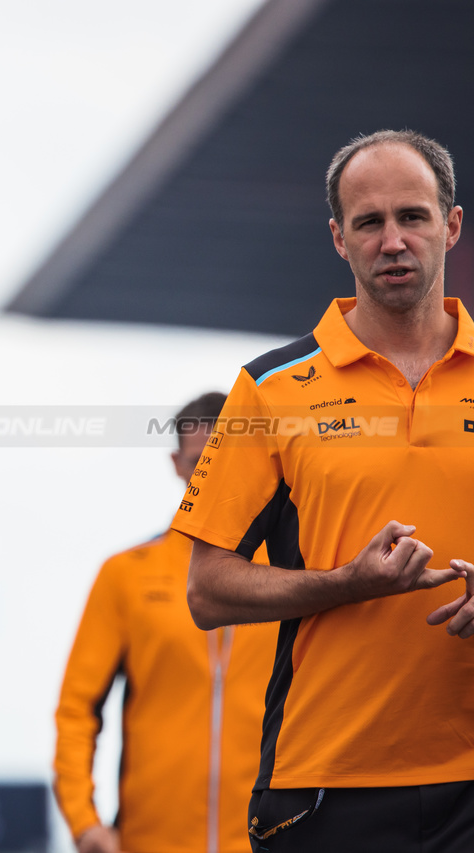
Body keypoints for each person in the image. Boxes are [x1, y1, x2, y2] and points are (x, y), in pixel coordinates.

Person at [173, 130, 474, 852]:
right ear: (340, 239)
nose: (393, 240)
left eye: (414, 216)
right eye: (369, 223)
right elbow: (207, 592)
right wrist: (348, 582)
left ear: (452, 225)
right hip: (326, 787)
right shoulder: (270, 388)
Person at [54, 393, 276, 853]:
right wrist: (84, 822)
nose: (215, 477)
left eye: (227, 460)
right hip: (150, 840)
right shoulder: (126, 574)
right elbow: (77, 709)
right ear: (177, 464)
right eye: (201, 463)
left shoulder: (296, 573)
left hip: (272, 839)